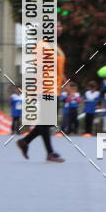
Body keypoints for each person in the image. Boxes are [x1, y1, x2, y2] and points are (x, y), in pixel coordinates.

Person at [17, 20, 65, 162]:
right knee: (47, 120)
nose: (60, 28)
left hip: (55, 88)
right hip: (45, 87)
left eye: (60, 26)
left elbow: (58, 68)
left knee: (47, 121)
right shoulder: (42, 46)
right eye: (56, 26)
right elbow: (37, 68)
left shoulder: (55, 46)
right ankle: (49, 152)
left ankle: (25, 141)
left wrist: (64, 80)